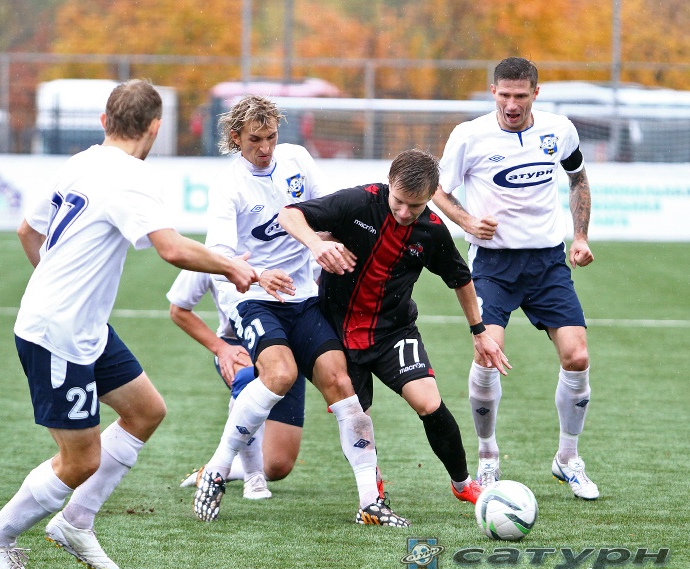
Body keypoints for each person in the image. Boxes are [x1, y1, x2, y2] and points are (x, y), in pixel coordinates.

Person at [0, 79, 257, 569]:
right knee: (80, 460)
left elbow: (27, 231)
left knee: (146, 411)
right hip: (57, 333)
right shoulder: (131, 176)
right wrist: (231, 265)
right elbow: (171, 248)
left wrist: (59, 289)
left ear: (105, 121)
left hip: (83, 325)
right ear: (155, 127)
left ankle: (75, 522)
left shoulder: (82, 161)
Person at [192, 94, 407, 527]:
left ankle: (370, 502)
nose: (265, 148)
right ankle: (216, 471)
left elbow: (330, 212)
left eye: (271, 137)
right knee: (280, 373)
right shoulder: (228, 186)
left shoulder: (297, 160)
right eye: (255, 140)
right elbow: (219, 256)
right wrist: (259, 275)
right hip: (253, 299)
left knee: (340, 381)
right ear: (235, 137)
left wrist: (335, 243)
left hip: (304, 296)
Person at [278, 148, 510, 510]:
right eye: (398, 201)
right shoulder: (358, 202)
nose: (403, 213)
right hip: (337, 331)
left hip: (394, 332)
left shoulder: (432, 230)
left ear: (430, 196)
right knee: (357, 416)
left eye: (414, 206)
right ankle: (372, 487)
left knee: (429, 403)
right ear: (389, 183)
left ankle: (463, 483)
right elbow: (289, 214)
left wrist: (479, 331)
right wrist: (316, 245)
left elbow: (460, 278)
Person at [432, 57, 600, 500]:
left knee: (577, 356)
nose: (511, 104)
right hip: (493, 266)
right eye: (504, 95)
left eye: (520, 96)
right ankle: (488, 455)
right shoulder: (469, 135)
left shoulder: (560, 130)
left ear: (535, 94)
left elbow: (578, 179)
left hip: (547, 263)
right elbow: (437, 190)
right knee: (489, 356)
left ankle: (568, 458)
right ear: (493, 92)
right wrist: (467, 221)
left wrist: (580, 236)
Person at [167, 268, 307, 499]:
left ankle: (216, 471)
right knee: (246, 378)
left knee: (277, 465)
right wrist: (221, 349)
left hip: (285, 352)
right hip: (237, 345)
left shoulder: (299, 250)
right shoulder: (213, 253)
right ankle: (253, 477)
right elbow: (178, 308)